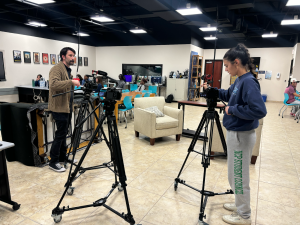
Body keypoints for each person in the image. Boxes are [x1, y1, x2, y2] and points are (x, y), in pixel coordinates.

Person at [201, 43, 267, 225]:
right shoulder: (238, 80)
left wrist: (233, 110)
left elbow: (259, 110)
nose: (226, 69)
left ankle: (244, 215)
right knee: (233, 174)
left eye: (227, 66)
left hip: (241, 135)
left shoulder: (249, 82)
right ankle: (239, 204)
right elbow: (229, 94)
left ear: (236, 62)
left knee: (239, 175)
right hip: (235, 133)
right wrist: (213, 91)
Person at [48, 47, 80, 173]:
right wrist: (71, 81)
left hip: (67, 106)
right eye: (71, 55)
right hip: (59, 107)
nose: (73, 58)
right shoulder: (56, 69)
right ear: (63, 56)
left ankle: (62, 157)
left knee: (64, 133)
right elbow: (54, 85)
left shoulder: (68, 70)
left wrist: (71, 81)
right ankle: (53, 161)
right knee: (60, 134)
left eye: (74, 56)